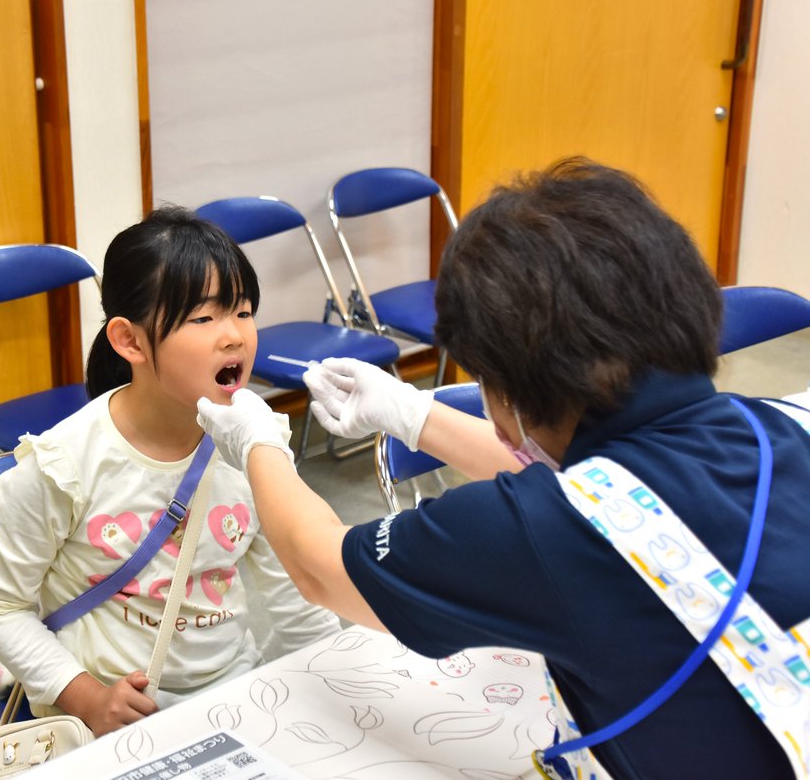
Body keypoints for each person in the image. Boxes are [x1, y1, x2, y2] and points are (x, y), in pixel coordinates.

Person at [195, 158, 810, 780]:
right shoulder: (777, 427)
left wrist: (259, 441)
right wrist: (412, 415)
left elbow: (320, 566)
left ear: (508, 392)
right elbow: (597, 500)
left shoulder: (539, 534)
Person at [0, 206, 340, 737]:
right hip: (106, 719)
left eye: (243, 311)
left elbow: (297, 596)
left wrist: (338, 681)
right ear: (130, 341)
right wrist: (88, 698)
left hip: (229, 696)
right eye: (204, 319)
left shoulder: (257, 446)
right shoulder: (63, 466)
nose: (233, 336)